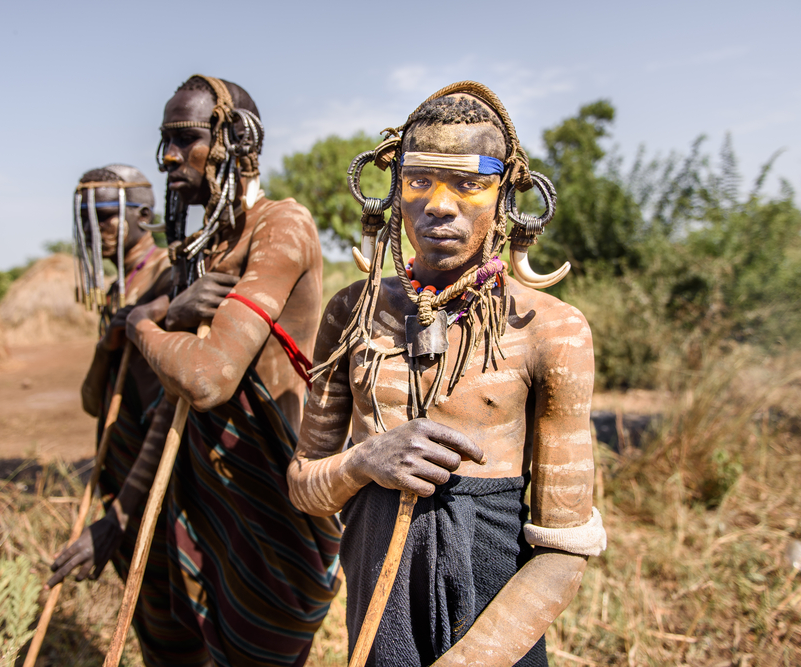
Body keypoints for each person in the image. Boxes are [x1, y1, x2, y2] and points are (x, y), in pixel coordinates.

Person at [287, 81, 607, 666]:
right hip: (378, 628)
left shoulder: (551, 330)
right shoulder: (351, 313)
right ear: (392, 190)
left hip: (495, 640)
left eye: (469, 183)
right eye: (419, 181)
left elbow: (564, 554)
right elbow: (304, 487)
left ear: (507, 195)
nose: (438, 204)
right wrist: (365, 461)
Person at [61, 75, 341, 667]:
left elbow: (207, 379)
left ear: (237, 141)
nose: (166, 157)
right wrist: (120, 515)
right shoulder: (207, 252)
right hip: (207, 496)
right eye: (163, 141)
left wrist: (141, 324)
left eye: (183, 139)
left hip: (269, 503)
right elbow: (171, 403)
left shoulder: (280, 227)